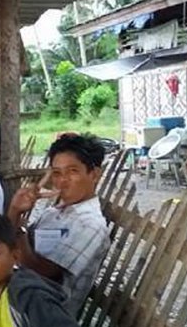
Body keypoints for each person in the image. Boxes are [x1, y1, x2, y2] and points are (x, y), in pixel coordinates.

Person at [7, 133, 110, 317]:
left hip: (42, 319)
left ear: (94, 174)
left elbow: (41, 273)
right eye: (57, 173)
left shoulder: (90, 225)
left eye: (72, 171)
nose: (62, 180)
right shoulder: (53, 213)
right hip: (17, 301)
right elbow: (10, 246)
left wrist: (19, 229)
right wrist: (15, 210)